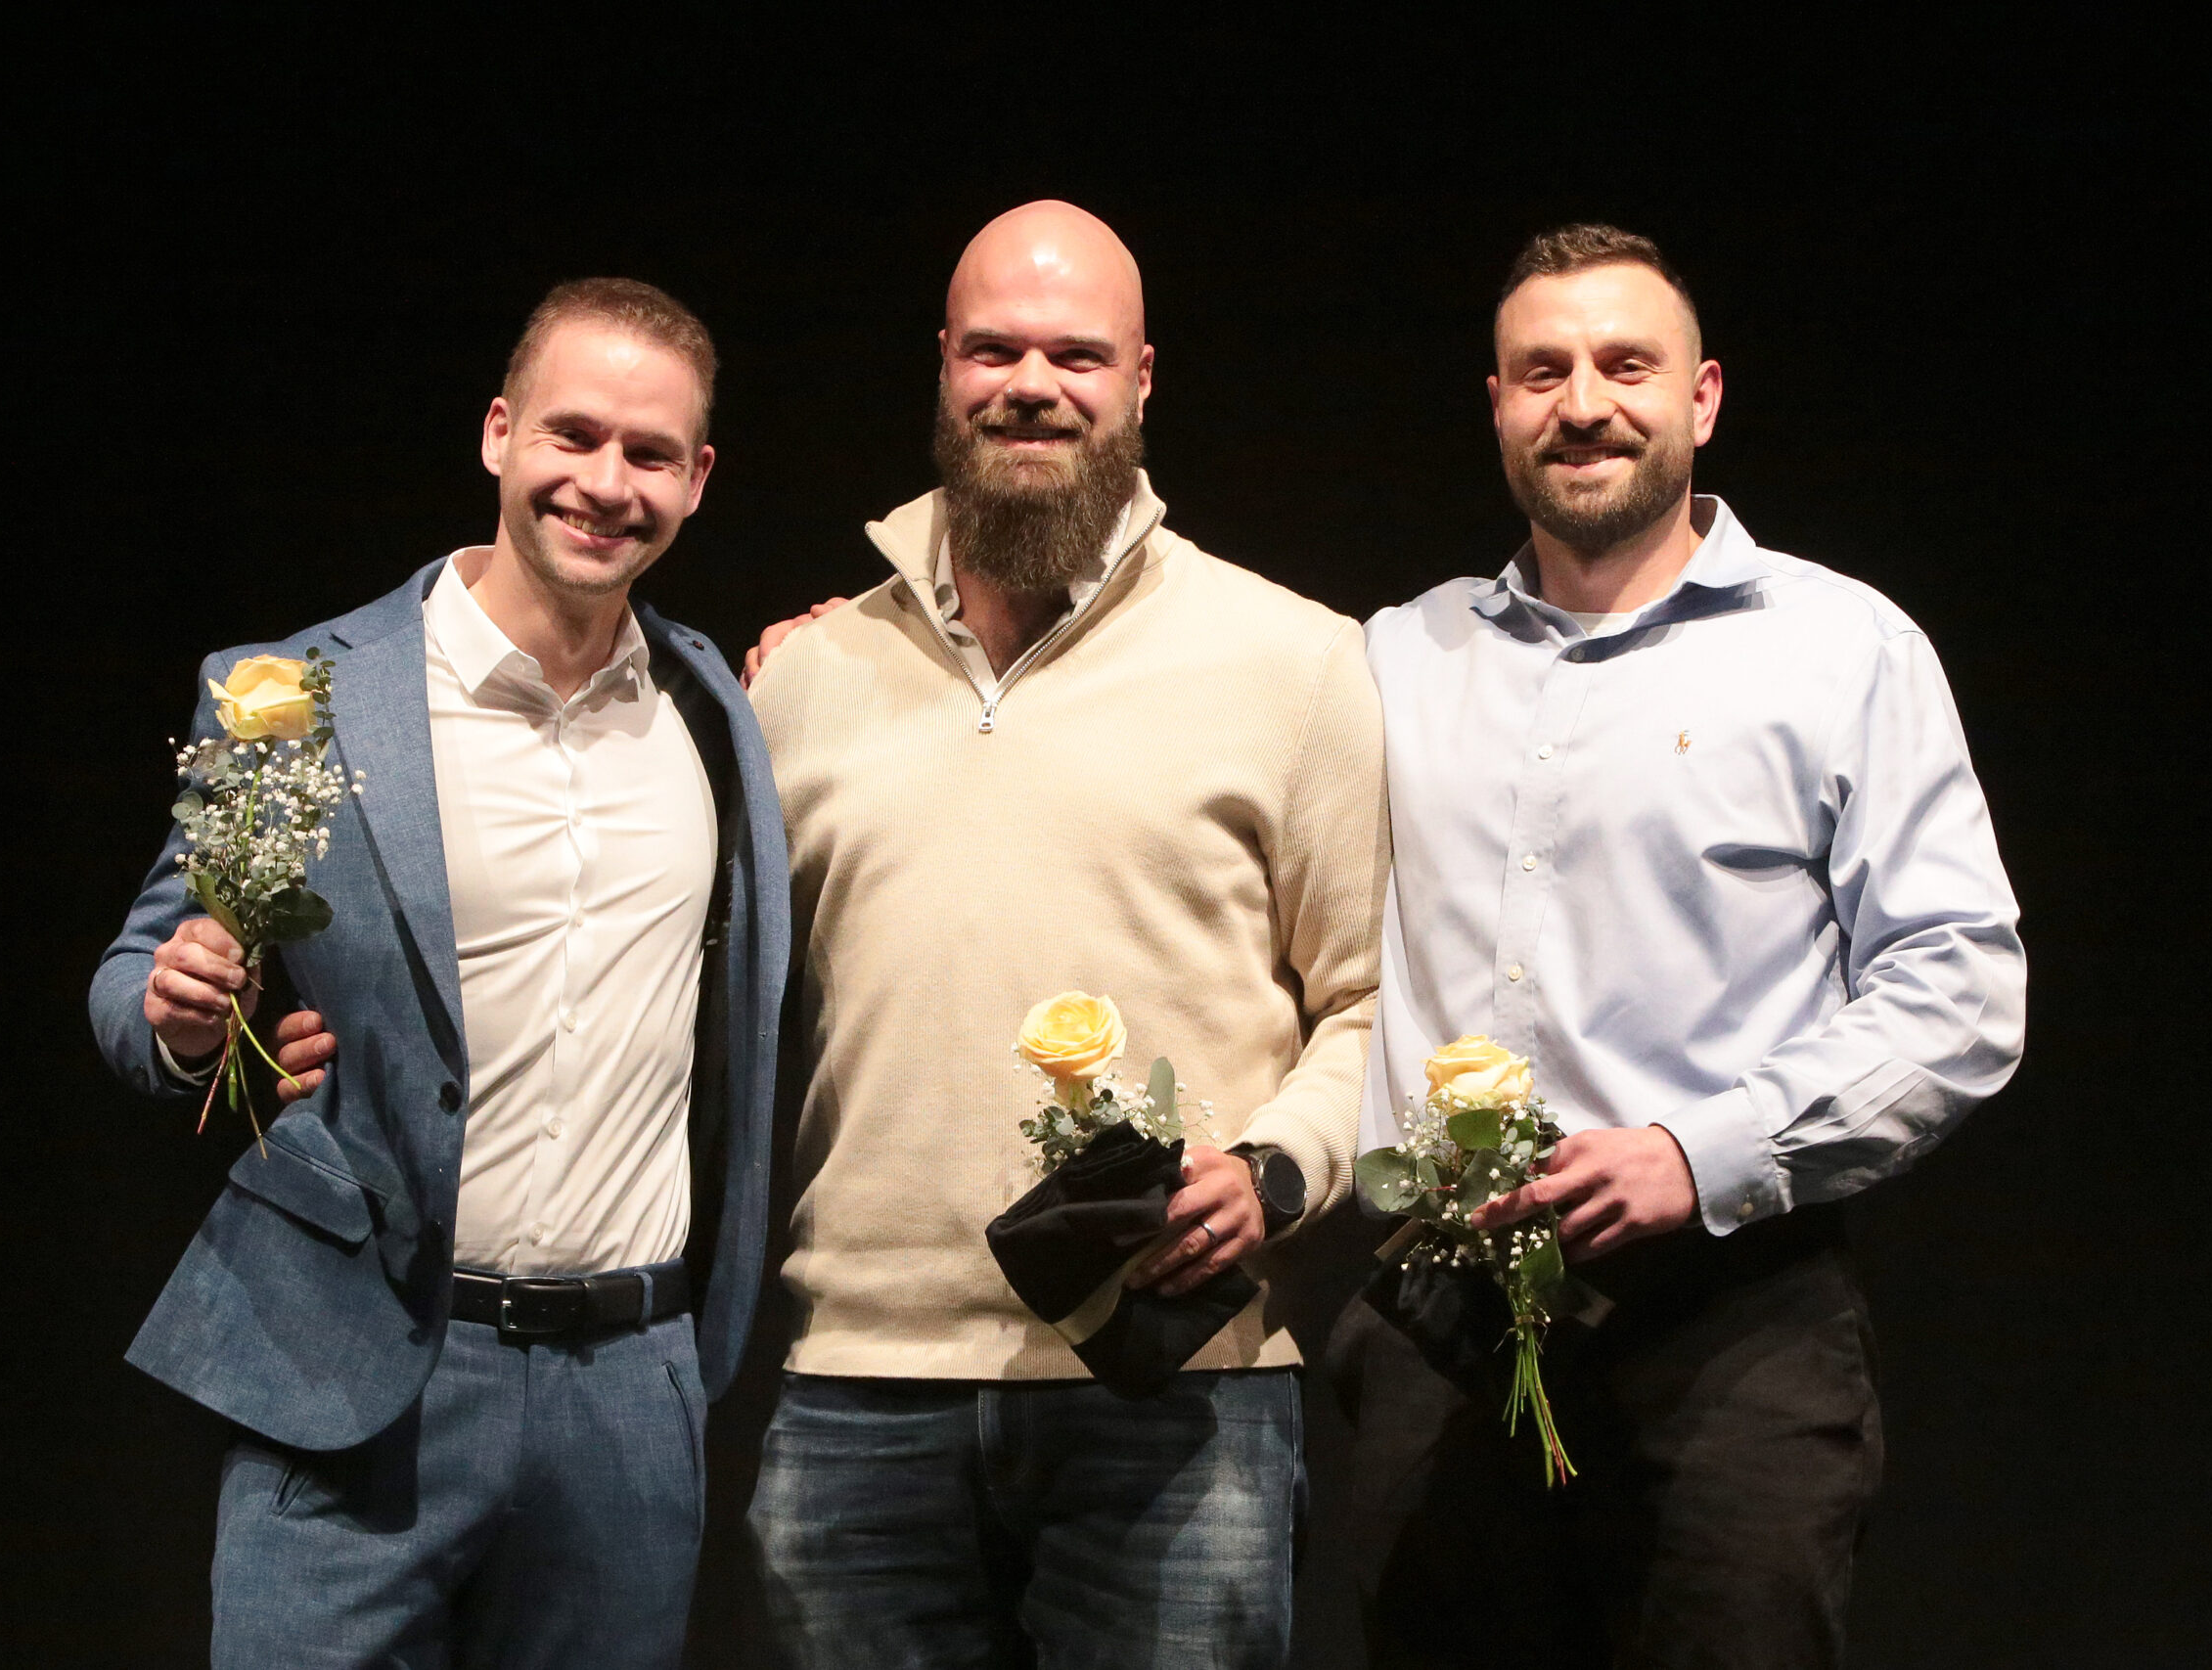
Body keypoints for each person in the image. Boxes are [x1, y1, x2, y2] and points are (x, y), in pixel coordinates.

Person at [1330, 224, 2027, 1669]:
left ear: (1701, 398)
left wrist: (1699, 1155)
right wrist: (900, 629)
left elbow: (1961, 987)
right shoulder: (1394, 658)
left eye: (1625, 366)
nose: (1583, 404)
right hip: (1446, 1324)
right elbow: (1179, 716)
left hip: (1733, 1322)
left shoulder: (1841, 649)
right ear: (1497, 407)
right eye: (1543, 372)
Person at [89, 277, 788, 1669]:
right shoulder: (303, 695)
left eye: (649, 454)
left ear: (698, 480)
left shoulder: (717, 710)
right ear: (498, 434)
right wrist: (183, 1017)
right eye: (571, 435)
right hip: (359, 1369)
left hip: (627, 1390)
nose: (605, 483)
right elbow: (134, 980)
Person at [739, 201, 1386, 1669]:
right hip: (861, 1391)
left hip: (1179, 1383)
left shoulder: (1295, 662)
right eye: (996, 350)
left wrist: (1274, 1172)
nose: (1032, 385)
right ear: (944, 366)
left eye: (1076, 355)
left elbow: (1372, 1003)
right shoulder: (804, 679)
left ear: (1141, 379)